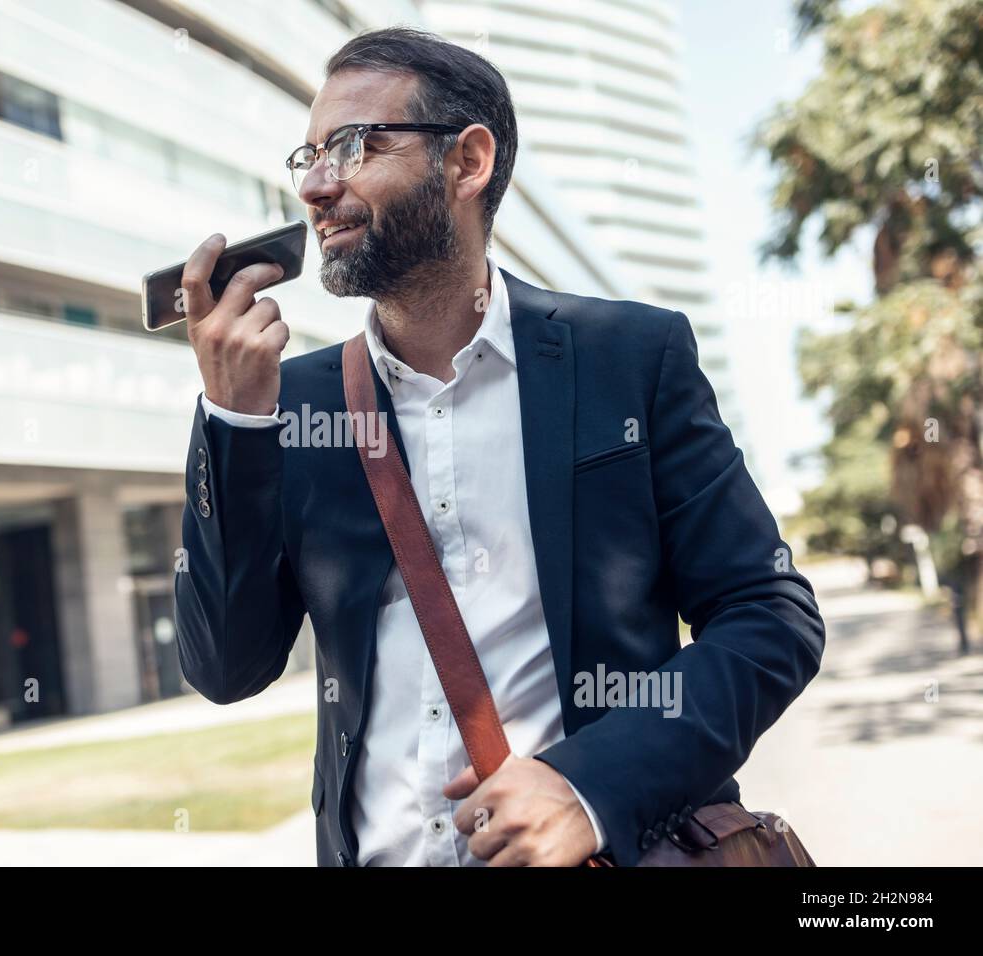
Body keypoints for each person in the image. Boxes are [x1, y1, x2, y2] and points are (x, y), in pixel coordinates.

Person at [173, 26, 825, 867]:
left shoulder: (629, 359)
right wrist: (233, 423)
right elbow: (226, 668)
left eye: (353, 146)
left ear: (467, 162)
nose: (318, 187)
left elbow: (769, 615)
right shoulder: (291, 406)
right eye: (307, 160)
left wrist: (591, 786)